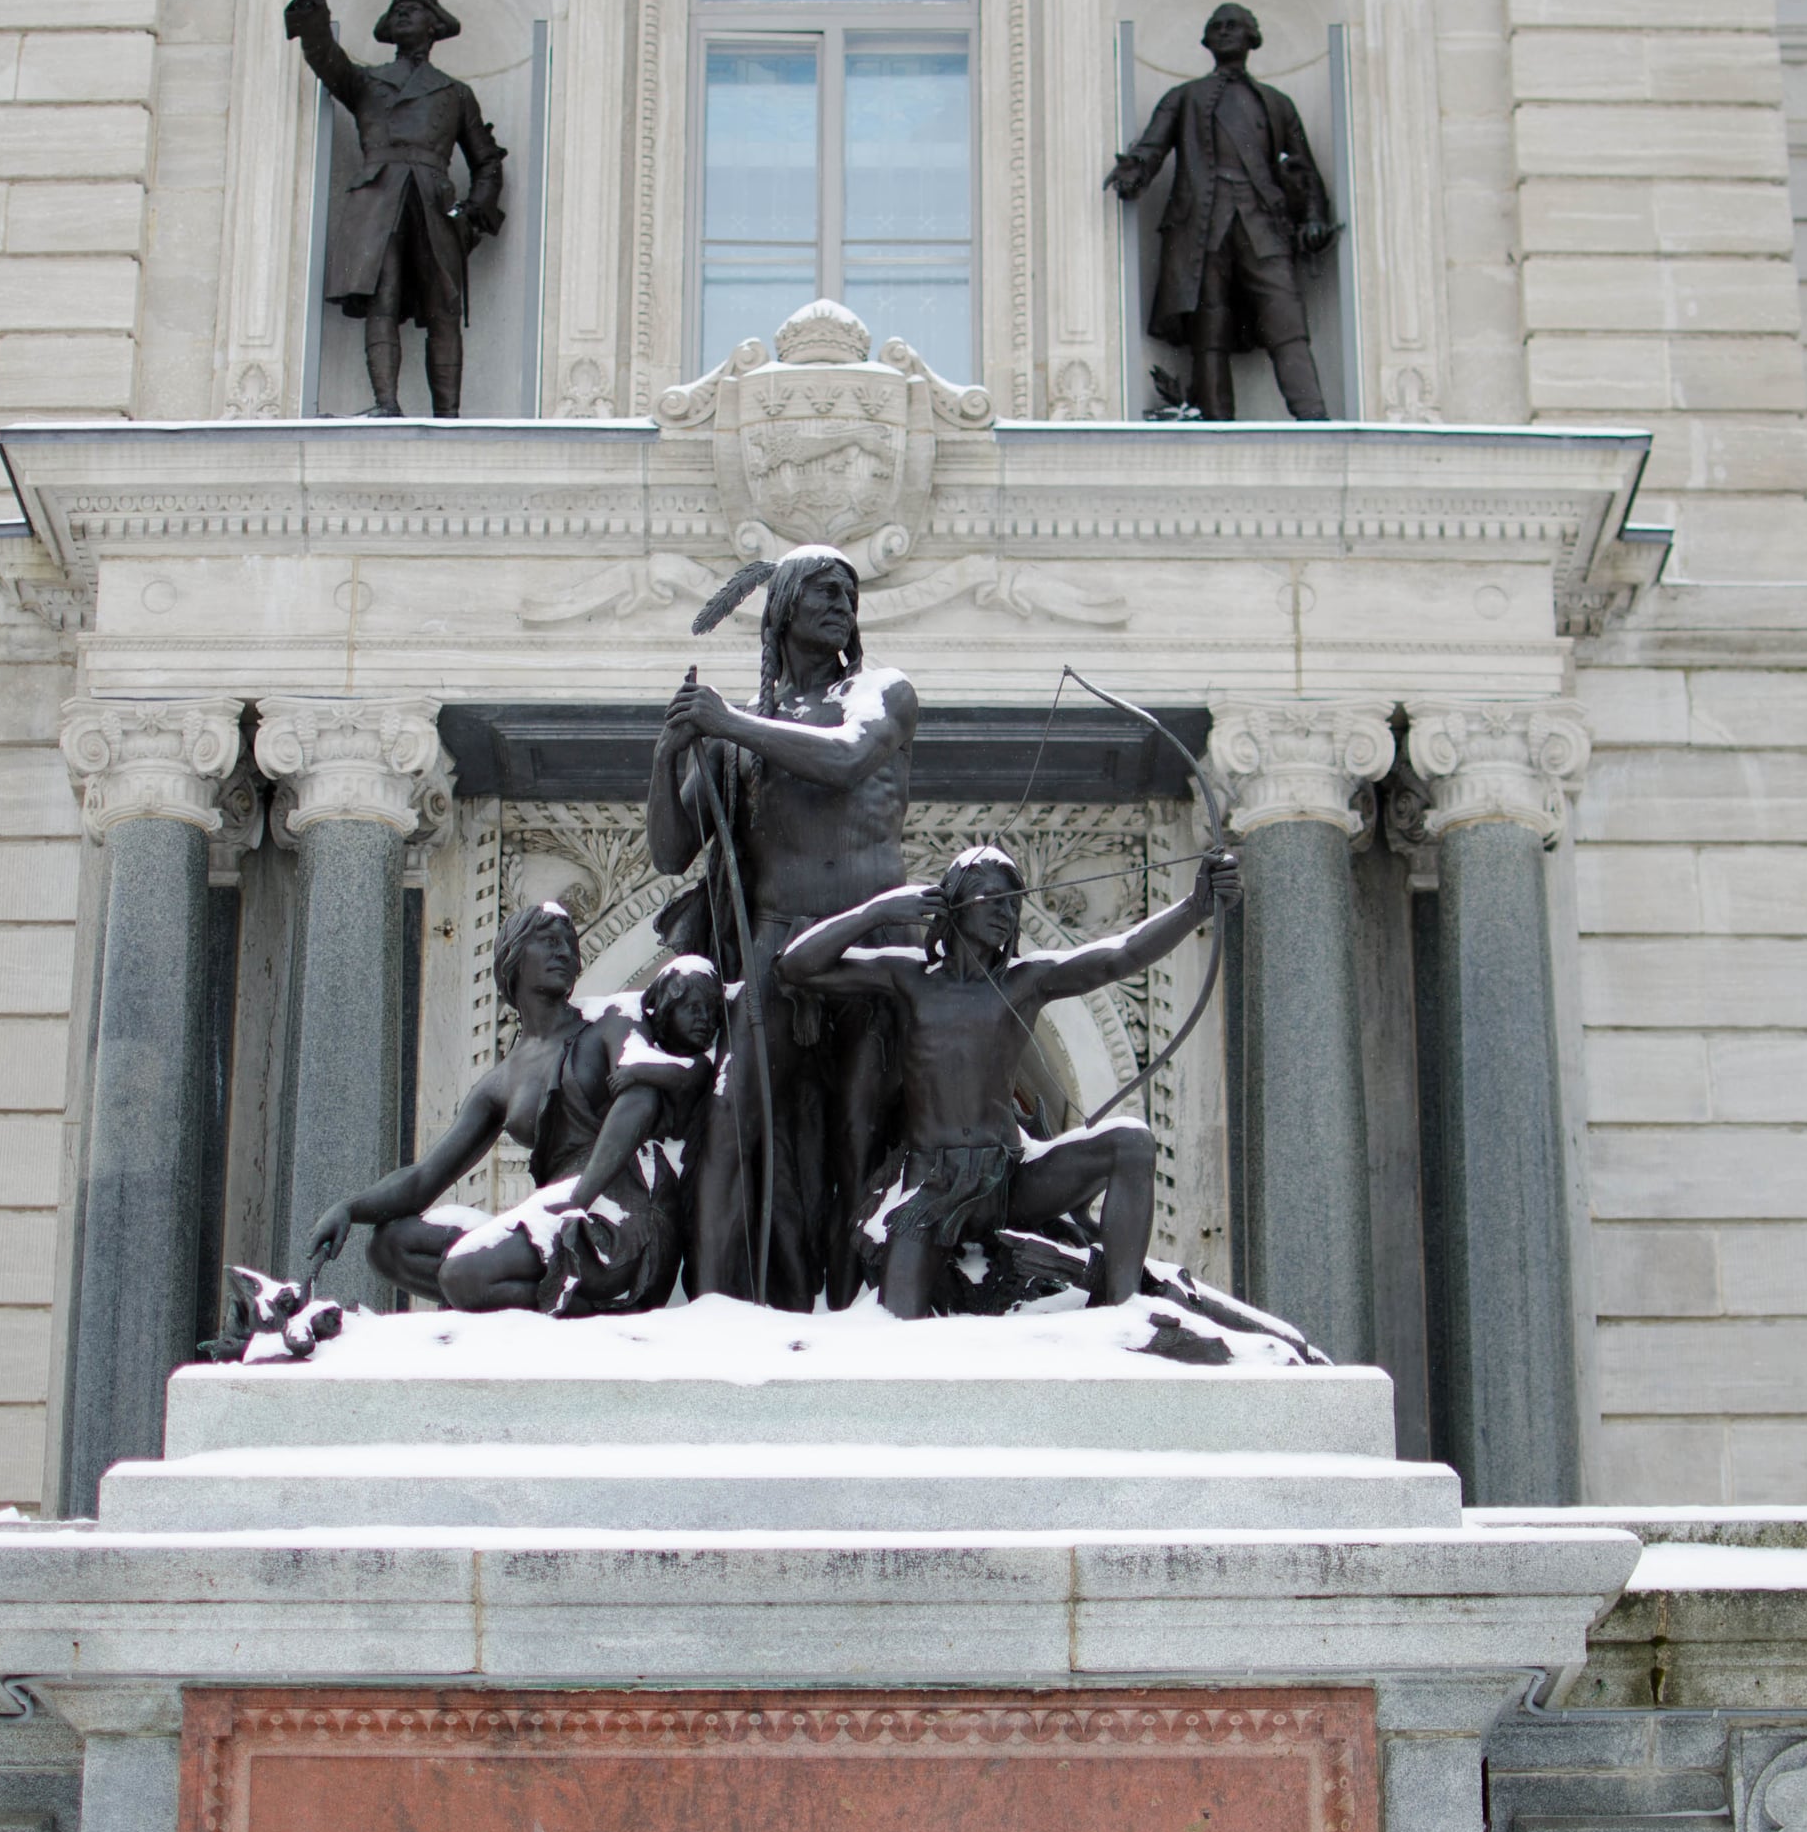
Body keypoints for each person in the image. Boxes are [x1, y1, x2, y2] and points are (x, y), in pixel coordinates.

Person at [775, 842, 1243, 1319]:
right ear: (954, 900)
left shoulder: (1026, 980)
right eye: (993, 899)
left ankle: (1122, 1316)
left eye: (1012, 904)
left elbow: (1116, 956)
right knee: (898, 1326)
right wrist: (878, 911)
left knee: (1131, 1142)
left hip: (1010, 1179)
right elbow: (795, 965)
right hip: (933, 1184)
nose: (1005, 913)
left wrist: (1195, 907)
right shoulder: (909, 977)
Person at [645, 545, 918, 1311]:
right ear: (784, 607)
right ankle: (709, 1308)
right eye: (824, 590)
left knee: (858, 1135)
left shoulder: (881, 692)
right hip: (775, 943)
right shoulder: (741, 734)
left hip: (869, 940)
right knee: (732, 1119)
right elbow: (671, 851)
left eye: (848, 593)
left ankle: (848, 1313)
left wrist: (728, 721)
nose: (840, 604)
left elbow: (846, 759)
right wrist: (669, 755)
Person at [305, 908, 717, 1314]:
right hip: (554, 1217)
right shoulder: (500, 1083)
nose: (565, 954)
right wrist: (350, 1208)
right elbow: (424, 1178)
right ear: (513, 957)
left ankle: (573, 1312)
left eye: (570, 947)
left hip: (619, 1220)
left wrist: (580, 1195)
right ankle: (533, 1300)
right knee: (389, 1245)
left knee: (463, 1277)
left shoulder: (610, 1023)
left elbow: (639, 1104)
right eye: (549, 942)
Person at [283, 0, 505, 418]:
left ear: (433, 26)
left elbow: (486, 161)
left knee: (444, 306)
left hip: (432, 199)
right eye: (397, 10)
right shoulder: (367, 81)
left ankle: (449, 417)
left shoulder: (454, 92)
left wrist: (472, 215)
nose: (403, 13)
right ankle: (386, 403)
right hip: (377, 197)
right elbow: (324, 55)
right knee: (381, 295)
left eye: (415, 8)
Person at [1106, 1, 1335, 422]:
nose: (1226, 32)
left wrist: (1314, 217)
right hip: (1202, 225)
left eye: (1235, 26)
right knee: (1208, 327)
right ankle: (1215, 420)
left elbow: (1303, 169)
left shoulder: (1277, 103)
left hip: (1263, 223)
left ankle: (1315, 418)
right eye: (1218, 26)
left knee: (1287, 320)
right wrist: (1134, 170)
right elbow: (1152, 145)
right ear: (1207, 39)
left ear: (1253, 38)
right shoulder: (1183, 97)